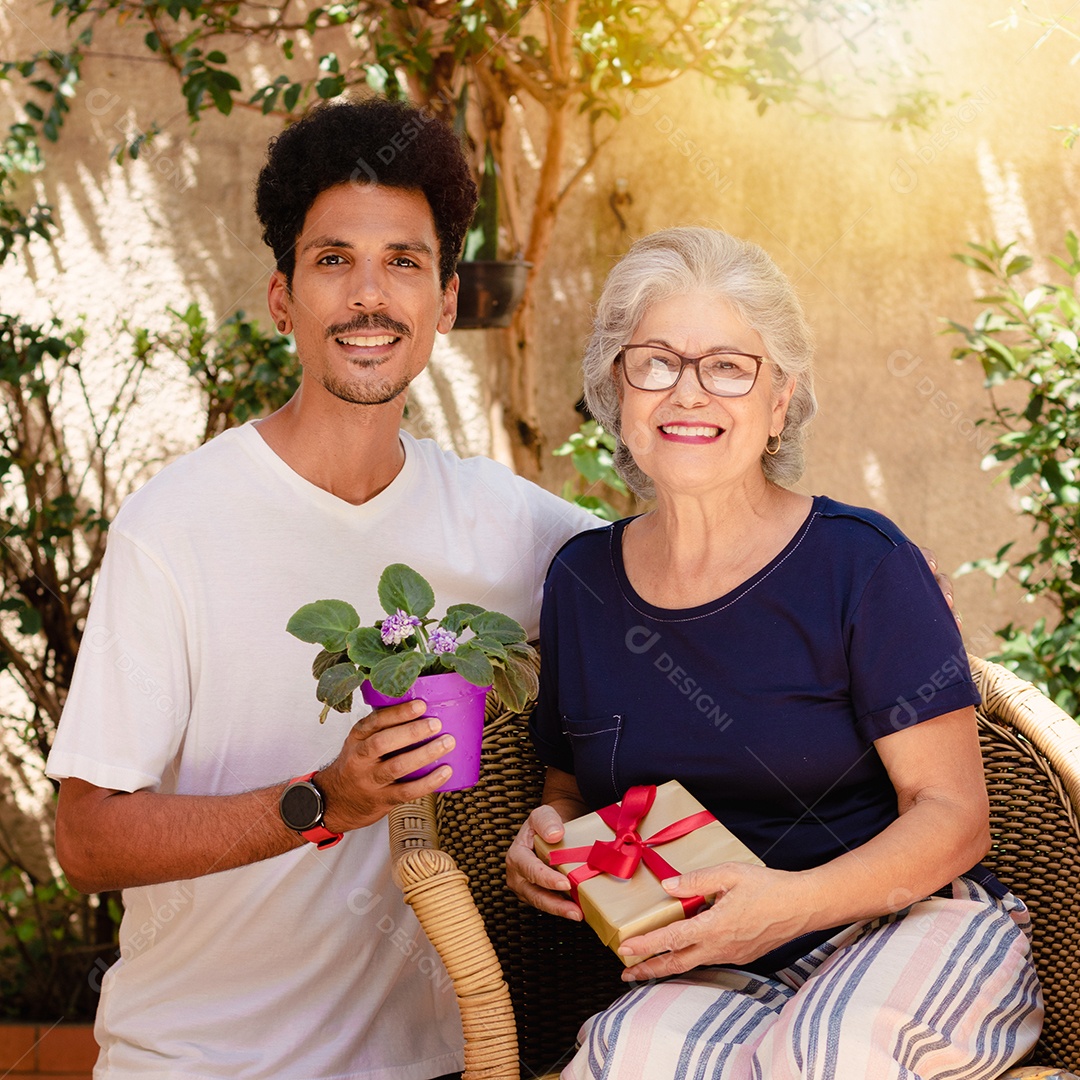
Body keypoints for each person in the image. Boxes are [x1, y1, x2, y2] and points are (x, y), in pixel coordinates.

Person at [46, 97, 593, 1080]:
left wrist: (866, 586)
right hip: (195, 1064)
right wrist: (323, 800)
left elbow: (674, 587)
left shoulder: (509, 524)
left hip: (429, 1063)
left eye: (404, 262)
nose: (369, 297)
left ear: (448, 301)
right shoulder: (175, 527)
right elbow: (87, 838)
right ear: (282, 298)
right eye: (334, 260)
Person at [506, 227, 1044, 1079]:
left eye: (728, 366)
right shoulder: (583, 582)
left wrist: (786, 907)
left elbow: (954, 813)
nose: (689, 393)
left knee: (826, 1055)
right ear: (617, 386)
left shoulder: (861, 563)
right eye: (655, 361)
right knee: (619, 1058)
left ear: (780, 401)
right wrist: (549, 843)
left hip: (904, 927)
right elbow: (570, 791)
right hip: (708, 963)